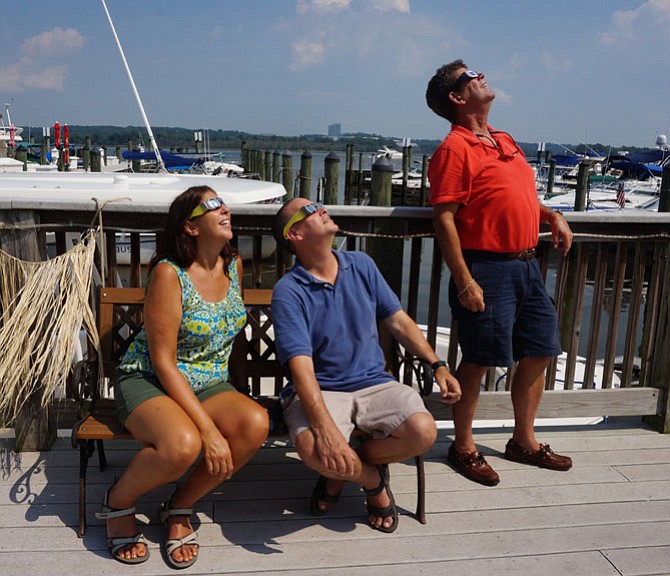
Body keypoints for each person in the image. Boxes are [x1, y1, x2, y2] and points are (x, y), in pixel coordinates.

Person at [97, 186, 269, 567]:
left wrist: (237, 390)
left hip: (209, 381)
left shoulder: (233, 264)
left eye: (224, 201)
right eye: (212, 205)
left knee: (255, 423)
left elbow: (231, 334)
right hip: (149, 379)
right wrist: (209, 431)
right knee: (183, 444)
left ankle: (178, 506)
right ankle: (119, 502)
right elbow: (163, 361)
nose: (224, 208)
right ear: (191, 228)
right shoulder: (168, 274)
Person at [270, 198, 462, 533]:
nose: (321, 209)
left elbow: (398, 321)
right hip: (323, 389)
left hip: (375, 382)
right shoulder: (288, 291)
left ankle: (343, 471)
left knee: (424, 432)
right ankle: (372, 481)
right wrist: (325, 429)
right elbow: (301, 368)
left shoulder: (361, 264)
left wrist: (438, 364)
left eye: (318, 205)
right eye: (309, 210)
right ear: (295, 233)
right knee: (314, 450)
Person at [425, 60, 574, 486]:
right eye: (470, 77)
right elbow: (445, 218)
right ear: (457, 98)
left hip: (527, 265)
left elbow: (518, 195)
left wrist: (552, 214)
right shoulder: (454, 149)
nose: (480, 77)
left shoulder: (504, 140)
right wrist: (464, 280)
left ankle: (523, 440)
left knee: (542, 349)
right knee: (479, 360)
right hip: (486, 268)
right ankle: (464, 446)